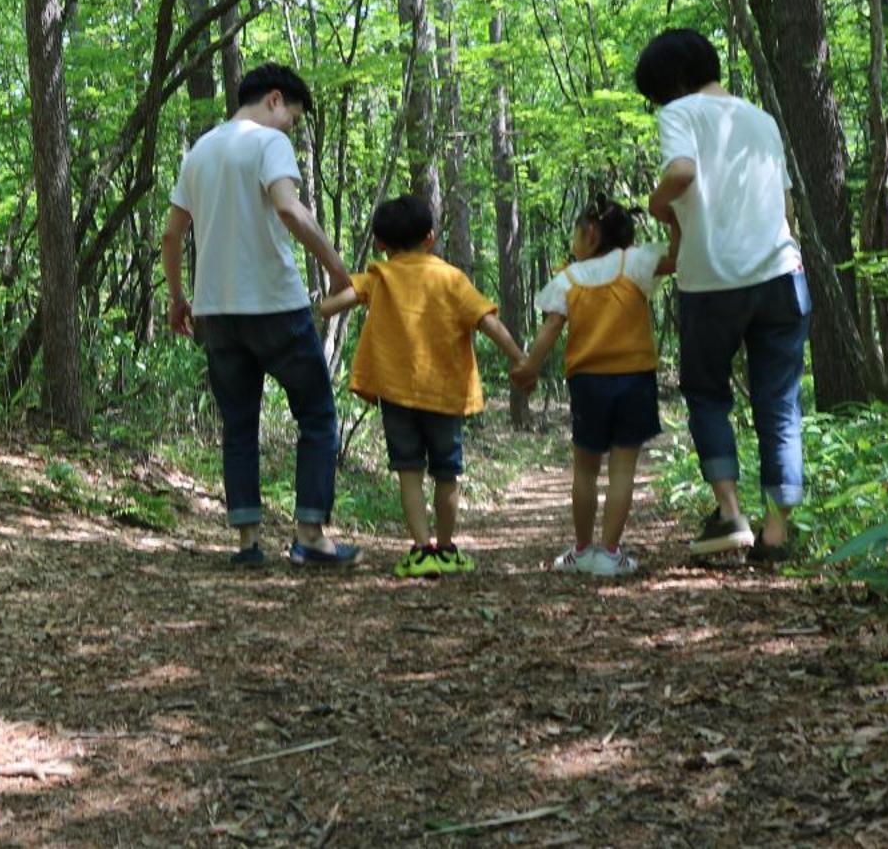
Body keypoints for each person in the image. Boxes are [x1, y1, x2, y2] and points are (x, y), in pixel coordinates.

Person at [161, 64, 362, 568]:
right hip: (274, 305)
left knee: (239, 425)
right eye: (292, 119)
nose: (289, 129)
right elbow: (291, 211)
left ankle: (248, 543)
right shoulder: (268, 143)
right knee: (316, 415)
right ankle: (310, 535)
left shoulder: (200, 151)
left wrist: (176, 298)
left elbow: (170, 234)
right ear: (275, 100)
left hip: (216, 312)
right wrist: (340, 274)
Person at [635, 28, 811, 563]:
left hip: (713, 281)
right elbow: (784, 207)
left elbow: (682, 172)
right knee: (780, 404)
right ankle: (776, 536)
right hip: (781, 275)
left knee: (708, 393)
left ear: (674, 83)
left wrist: (656, 201)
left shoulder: (681, 113)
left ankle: (731, 514)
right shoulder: (761, 119)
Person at [317, 195, 527, 579]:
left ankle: (419, 549)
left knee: (409, 471)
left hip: (396, 395)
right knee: (447, 472)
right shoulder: (451, 278)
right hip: (445, 394)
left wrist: (329, 292)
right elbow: (487, 321)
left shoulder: (379, 276)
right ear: (430, 238)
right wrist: (518, 358)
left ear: (381, 243)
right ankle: (445, 550)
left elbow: (331, 307)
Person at [511, 196, 678, 576]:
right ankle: (611, 553)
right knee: (622, 470)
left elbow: (551, 328)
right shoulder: (634, 262)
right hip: (636, 378)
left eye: (576, 229)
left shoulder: (568, 280)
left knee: (585, 470)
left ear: (591, 234)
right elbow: (677, 258)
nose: (573, 236)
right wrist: (675, 218)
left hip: (588, 383)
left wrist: (529, 369)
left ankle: (583, 549)